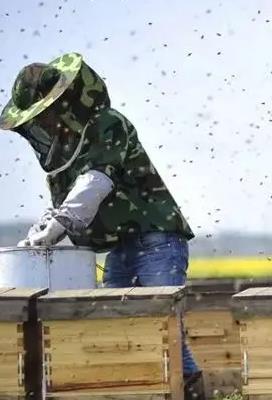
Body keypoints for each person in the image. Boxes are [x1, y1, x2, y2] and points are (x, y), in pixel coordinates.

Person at [0, 53, 205, 400]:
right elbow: (69, 198)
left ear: (64, 103)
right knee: (116, 326)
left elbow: (95, 182)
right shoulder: (66, 147)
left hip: (157, 241)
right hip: (120, 247)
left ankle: (192, 392)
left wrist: (62, 222)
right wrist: (43, 230)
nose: (44, 123)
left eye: (46, 113)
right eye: (38, 118)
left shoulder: (108, 124)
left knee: (163, 326)